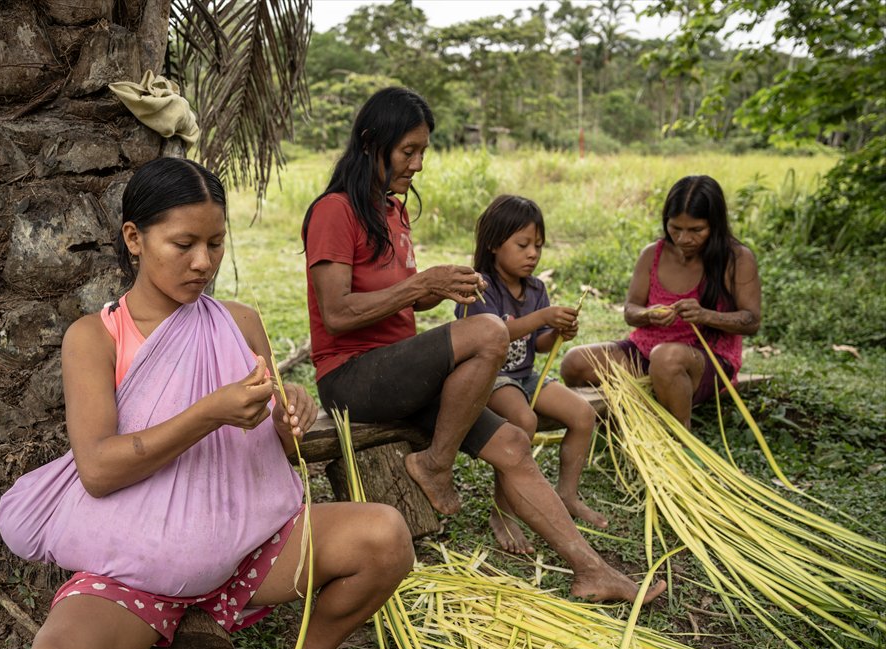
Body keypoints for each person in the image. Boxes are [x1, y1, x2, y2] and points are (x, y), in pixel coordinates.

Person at [0, 157, 414, 649]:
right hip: (132, 569)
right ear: (135, 239)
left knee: (385, 536)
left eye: (215, 243)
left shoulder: (238, 323)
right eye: (183, 244)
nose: (203, 262)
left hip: (251, 550)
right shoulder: (95, 339)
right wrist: (207, 413)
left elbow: (280, 450)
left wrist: (290, 412)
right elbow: (100, 469)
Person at [302, 86, 662, 603]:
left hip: (399, 373)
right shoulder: (335, 211)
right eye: (408, 151)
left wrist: (441, 286)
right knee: (490, 330)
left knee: (514, 442)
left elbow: (403, 303)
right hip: (352, 377)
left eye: (423, 151)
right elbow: (337, 314)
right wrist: (419, 285)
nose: (418, 164)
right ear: (370, 143)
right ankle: (434, 464)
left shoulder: (393, 212)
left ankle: (592, 570)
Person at [456, 195, 608, 550]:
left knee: (583, 415)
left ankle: (567, 495)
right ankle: (503, 510)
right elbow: (491, 335)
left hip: (524, 375)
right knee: (523, 421)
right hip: (489, 378)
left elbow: (539, 343)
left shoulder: (536, 288)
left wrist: (557, 332)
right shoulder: (479, 287)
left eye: (538, 246)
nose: (532, 254)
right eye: (523, 244)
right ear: (494, 243)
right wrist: (542, 317)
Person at [560, 175, 761, 428]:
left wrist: (705, 315)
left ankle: (678, 435)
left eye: (696, 230)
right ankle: (641, 401)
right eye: (675, 228)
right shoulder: (652, 254)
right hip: (646, 354)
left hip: (705, 361)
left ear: (716, 225)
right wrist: (647, 314)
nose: (683, 238)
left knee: (666, 358)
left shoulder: (737, 259)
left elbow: (751, 321)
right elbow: (631, 311)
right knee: (575, 362)